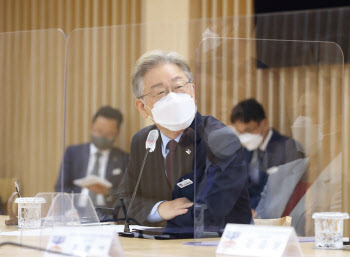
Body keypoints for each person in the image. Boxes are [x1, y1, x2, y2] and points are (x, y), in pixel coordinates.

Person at [116, 50, 251, 233]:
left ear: (192, 92)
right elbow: (122, 204)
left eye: (179, 87)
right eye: (160, 92)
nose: (172, 97)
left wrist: (152, 221)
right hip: (158, 249)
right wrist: (160, 209)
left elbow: (207, 214)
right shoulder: (144, 141)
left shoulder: (219, 138)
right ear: (142, 107)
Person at [230, 98, 305, 216]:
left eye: (249, 130)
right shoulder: (245, 151)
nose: (244, 137)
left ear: (264, 124)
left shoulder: (289, 148)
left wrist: (256, 210)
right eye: (240, 133)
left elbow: (286, 192)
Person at [55, 106, 129, 207]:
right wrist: (69, 210)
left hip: (108, 214)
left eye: (109, 134)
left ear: (116, 134)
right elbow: (61, 188)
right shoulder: (73, 153)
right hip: (76, 212)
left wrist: (108, 193)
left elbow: (128, 197)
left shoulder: (124, 159)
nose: (102, 137)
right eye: (99, 131)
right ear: (91, 127)